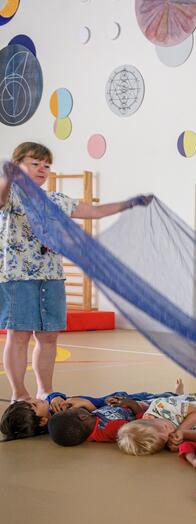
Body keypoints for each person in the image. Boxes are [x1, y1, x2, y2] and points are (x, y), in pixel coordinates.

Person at [0, 143, 152, 402]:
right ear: (18, 164)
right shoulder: (13, 195)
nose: (42, 170)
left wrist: (129, 204)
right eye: (34, 163)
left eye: (46, 166)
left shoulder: (55, 200)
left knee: (48, 336)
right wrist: (7, 176)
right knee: (19, 335)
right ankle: (19, 392)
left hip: (52, 276)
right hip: (18, 277)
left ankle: (44, 389)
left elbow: (93, 211)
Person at [1, 388, 175, 440]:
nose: (35, 399)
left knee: (154, 396)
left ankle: (173, 394)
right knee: (159, 399)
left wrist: (55, 397)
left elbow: (56, 395)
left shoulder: (55, 408)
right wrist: (88, 404)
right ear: (42, 422)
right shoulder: (67, 421)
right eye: (33, 405)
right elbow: (98, 411)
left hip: (118, 400)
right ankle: (175, 395)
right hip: (123, 402)